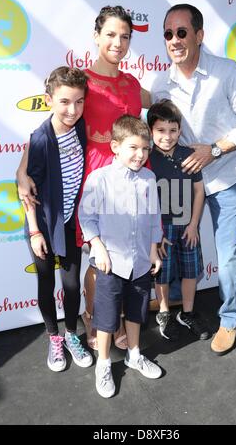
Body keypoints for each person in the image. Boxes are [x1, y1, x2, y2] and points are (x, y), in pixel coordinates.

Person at [16, 6, 151, 351]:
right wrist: (21, 170)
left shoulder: (133, 83)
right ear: (96, 36)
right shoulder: (81, 83)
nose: (118, 43)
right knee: (97, 256)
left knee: (123, 250)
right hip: (91, 182)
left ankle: (117, 319)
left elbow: (151, 108)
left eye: (124, 36)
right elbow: (48, 130)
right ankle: (94, 319)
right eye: (110, 34)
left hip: (130, 181)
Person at [152, 4, 236, 355]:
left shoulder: (226, 72)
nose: (174, 39)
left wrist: (214, 150)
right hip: (184, 183)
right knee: (175, 245)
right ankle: (172, 309)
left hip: (227, 175)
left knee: (228, 252)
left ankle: (229, 318)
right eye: (168, 33)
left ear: (199, 35)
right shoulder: (160, 84)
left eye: (182, 32)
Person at [78, 115, 163, 398]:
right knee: (106, 316)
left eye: (145, 149)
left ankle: (134, 355)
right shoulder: (98, 178)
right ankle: (103, 364)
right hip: (110, 263)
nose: (140, 155)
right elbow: (86, 217)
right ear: (115, 145)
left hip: (140, 262)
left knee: (137, 311)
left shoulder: (149, 178)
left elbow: (153, 218)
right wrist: (98, 247)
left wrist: (153, 251)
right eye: (133, 148)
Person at [21, 66, 93, 372]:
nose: (72, 109)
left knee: (72, 284)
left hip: (70, 224)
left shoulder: (80, 126)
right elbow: (28, 194)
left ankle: (72, 334)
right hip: (44, 226)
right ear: (49, 100)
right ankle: (54, 339)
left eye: (78, 102)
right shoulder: (41, 139)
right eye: (64, 102)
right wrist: (36, 232)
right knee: (46, 282)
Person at [147, 99, 209, 342]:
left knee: (190, 271)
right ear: (151, 131)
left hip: (188, 228)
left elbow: (199, 191)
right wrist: (156, 235)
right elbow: (145, 201)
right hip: (161, 232)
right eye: (161, 130)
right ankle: (164, 314)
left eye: (173, 130)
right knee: (161, 274)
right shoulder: (148, 160)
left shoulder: (189, 155)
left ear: (180, 130)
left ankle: (188, 313)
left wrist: (194, 224)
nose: (167, 136)